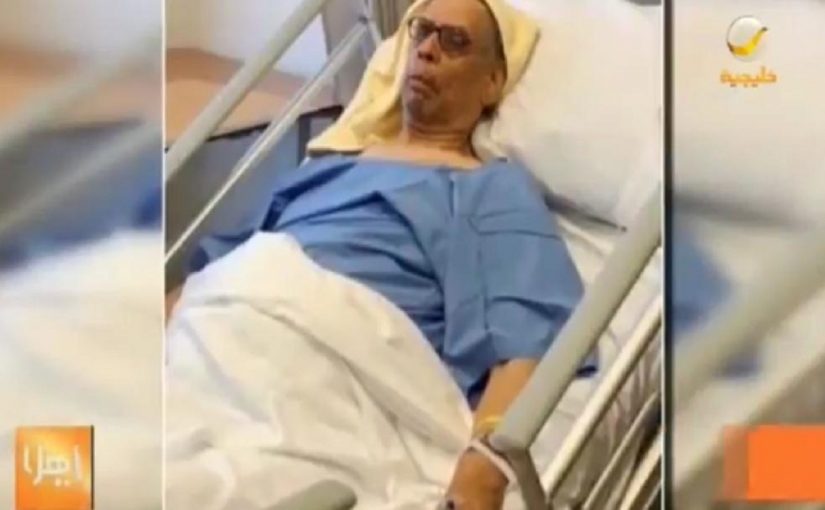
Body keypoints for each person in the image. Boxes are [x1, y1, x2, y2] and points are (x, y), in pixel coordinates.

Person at [168, 0, 591, 507]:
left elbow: (530, 336)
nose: (428, 49)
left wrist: (482, 471)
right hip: (221, 331)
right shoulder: (331, 165)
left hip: (320, 362)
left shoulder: (488, 186)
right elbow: (228, 269)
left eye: (454, 42)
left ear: (492, 83)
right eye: (422, 32)